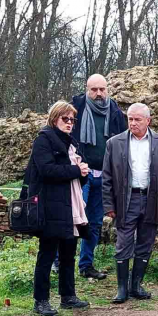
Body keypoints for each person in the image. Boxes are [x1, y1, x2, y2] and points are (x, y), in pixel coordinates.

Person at [25, 101, 92, 316]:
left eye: (72, 119)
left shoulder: (71, 144)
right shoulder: (43, 140)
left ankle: (68, 296)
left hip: (70, 204)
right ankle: (41, 300)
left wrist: (83, 173)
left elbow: (73, 177)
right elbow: (46, 170)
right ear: (55, 118)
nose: (70, 123)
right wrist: (75, 170)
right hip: (50, 206)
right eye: (65, 119)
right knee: (47, 253)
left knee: (68, 253)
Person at [58, 73, 128, 280]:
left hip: (105, 174)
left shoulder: (114, 111)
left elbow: (123, 141)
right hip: (81, 174)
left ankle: (86, 264)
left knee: (95, 222)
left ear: (107, 89)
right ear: (87, 90)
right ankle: (60, 262)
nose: (99, 94)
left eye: (102, 89)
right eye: (94, 89)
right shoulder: (74, 109)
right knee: (72, 219)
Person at [102, 103, 158, 303]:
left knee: (146, 242)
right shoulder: (114, 143)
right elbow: (106, 177)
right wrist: (108, 205)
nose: (133, 123)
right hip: (127, 199)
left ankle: (136, 286)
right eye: (130, 119)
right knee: (123, 242)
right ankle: (122, 289)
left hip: (152, 199)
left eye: (137, 119)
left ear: (148, 121)